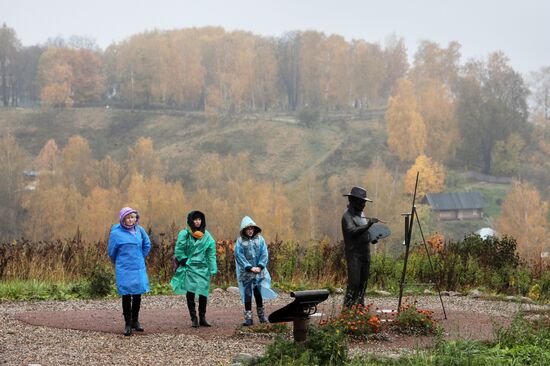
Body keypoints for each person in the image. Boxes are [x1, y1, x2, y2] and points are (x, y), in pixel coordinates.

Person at [108, 207, 151, 336]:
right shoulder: (116, 233)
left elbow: (147, 245)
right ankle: (127, 323)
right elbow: (111, 252)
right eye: (128, 218)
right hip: (124, 268)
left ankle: (135, 321)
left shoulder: (140, 230)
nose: (131, 220)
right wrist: (121, 262)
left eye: (132, 217)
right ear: (123, 219)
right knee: (126, 295)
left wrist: (140, 256)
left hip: (138, 267)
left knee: (137, 294)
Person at [170, 210, 217, 327]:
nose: (197, 222)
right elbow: (179, 249)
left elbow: (211, 253)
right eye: (195, 219)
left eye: (199, 219)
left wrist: (213, 268)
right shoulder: (184, 234)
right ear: (191, 220)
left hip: (202, 267)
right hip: (189, 266)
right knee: (190, 291)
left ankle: (202, 317)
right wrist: (183, 260)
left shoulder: (207, 236)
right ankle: (193, 318)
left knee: (203, 292)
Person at [234, 216, 277, 326]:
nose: (250, 231)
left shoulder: (260, 239)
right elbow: (239, 256)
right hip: (247, 273)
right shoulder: (240, 242)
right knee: (247, 294)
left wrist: (260, 266)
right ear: (244, 230)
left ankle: (261, 316)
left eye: (252, 229)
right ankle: (248, 319)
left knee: (258, 294)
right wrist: (248, 267)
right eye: (248, 229)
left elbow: (264, 253)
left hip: (258, 272)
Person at [341, 187, 379, 308]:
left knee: (363, 283)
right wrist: (368, 225)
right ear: (352, 200)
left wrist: (372, 237)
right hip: (354, 255)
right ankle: (347, 309)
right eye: (362, 202)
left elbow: (365, 232)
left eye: (365, 202)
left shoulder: (362, 215)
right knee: (354, 283)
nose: (364, 204)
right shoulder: (347, 217)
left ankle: (360, 307)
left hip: (365, 253)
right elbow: (352, 231)